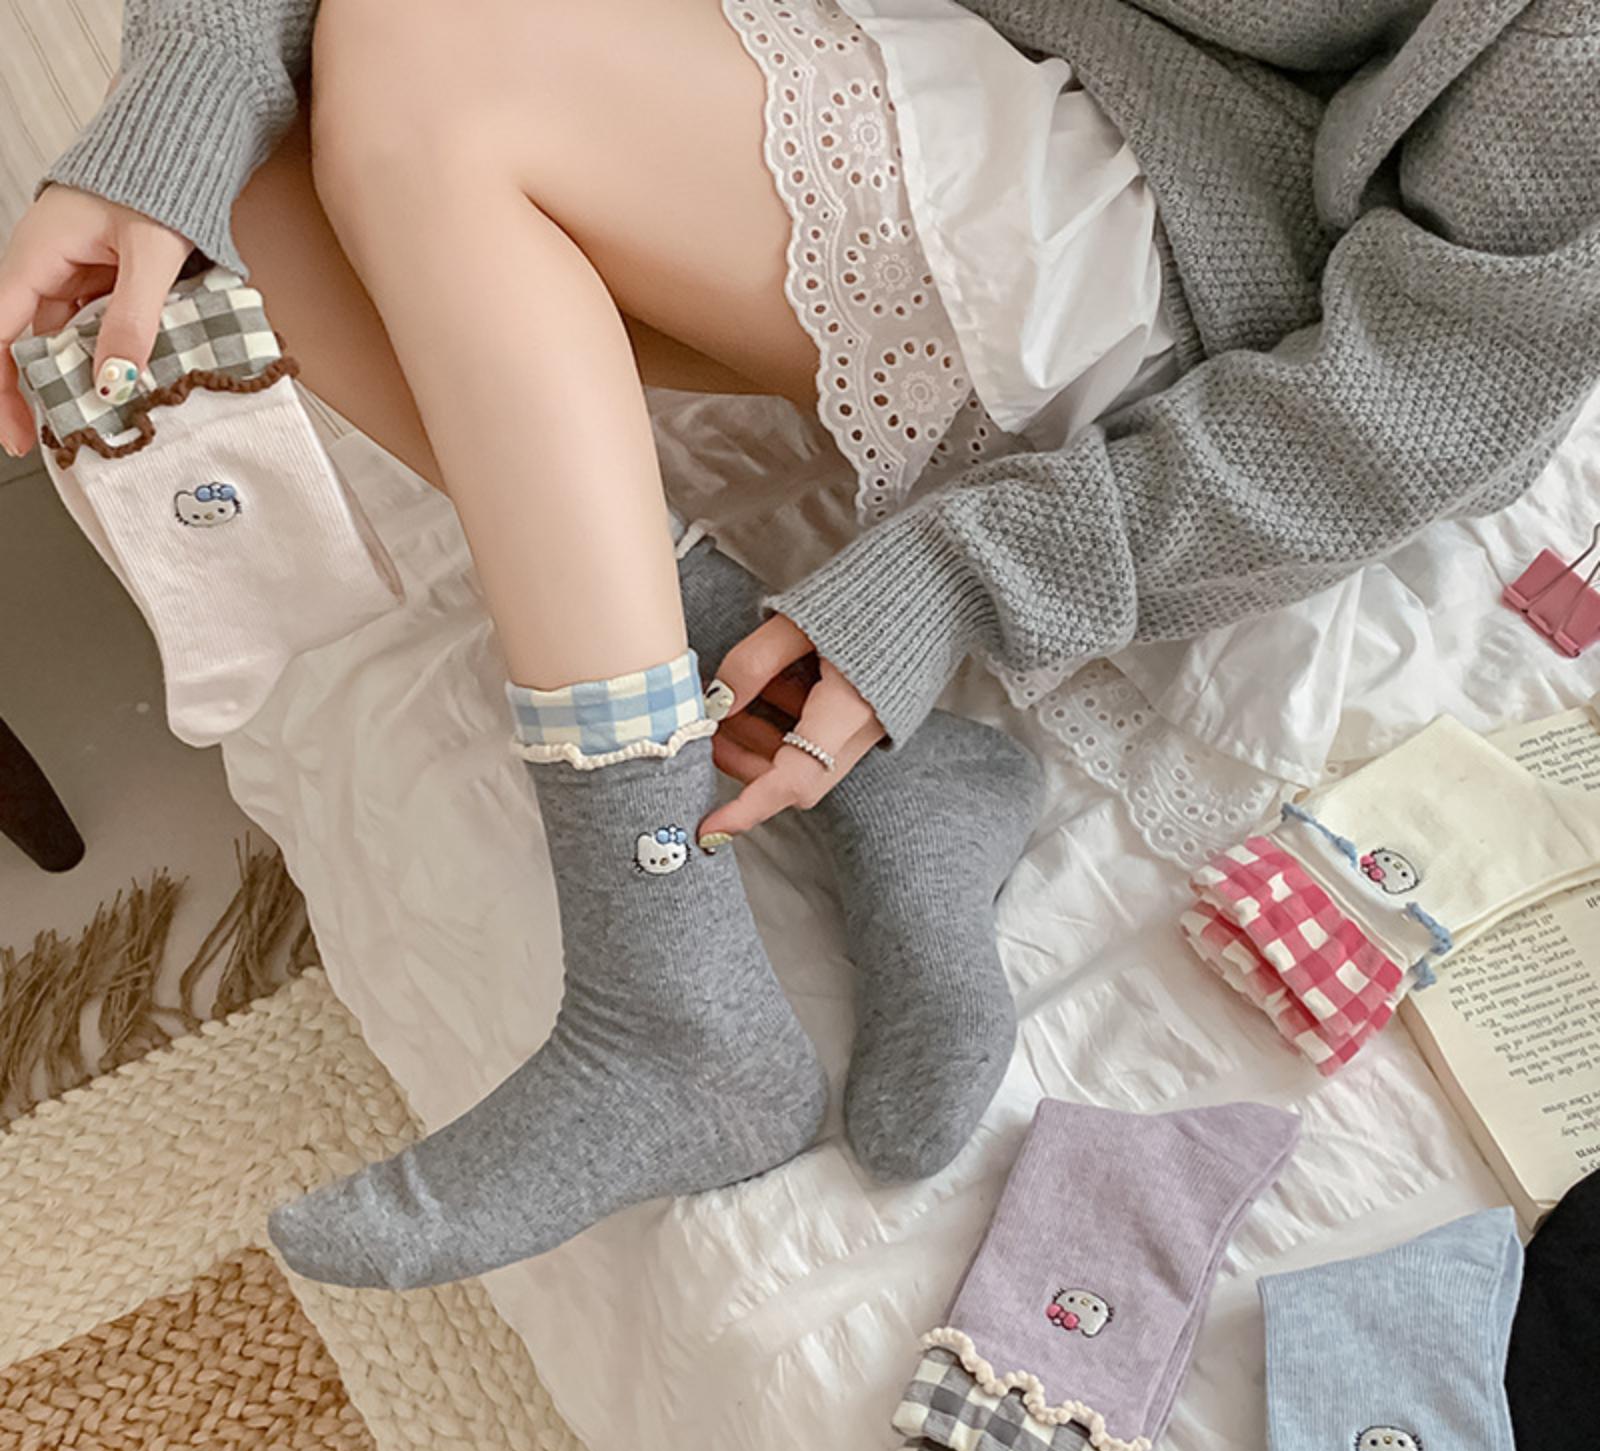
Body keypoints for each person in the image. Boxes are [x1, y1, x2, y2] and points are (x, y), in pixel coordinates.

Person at [1, 0, 1596, 1290]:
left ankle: (662, 987)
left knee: (415, 57)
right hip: (964, 38)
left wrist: (955, 580)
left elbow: (1426, 398)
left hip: (1208, 220)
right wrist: (181, 93)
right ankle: (860, 778)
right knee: (264, 120)